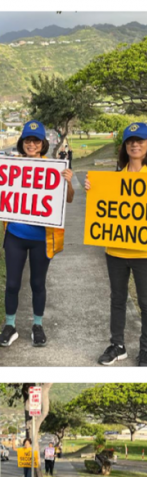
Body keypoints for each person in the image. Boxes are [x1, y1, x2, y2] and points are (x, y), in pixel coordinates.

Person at [0, 120, 74, 348]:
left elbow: (68, 198)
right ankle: (9, 326)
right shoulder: (12, 163)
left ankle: (37, 326)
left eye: (36, 140)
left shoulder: (54, 167)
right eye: (28, 140)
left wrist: (68, 182)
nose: (32, 144)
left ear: (43, 144)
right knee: (12, 283)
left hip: (42, 239)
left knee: (38, 284)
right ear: (22, 143)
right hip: (15, 236)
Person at [87, 122, 147, 366]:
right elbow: (103, 210)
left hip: (143, 251)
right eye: (130, 141)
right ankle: (117, 345)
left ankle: (145, 349)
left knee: (145, 302)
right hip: (115, 250)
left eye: (140, 140)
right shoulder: (114, 178)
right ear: (124, 146)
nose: (135, 144)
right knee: (118, 298)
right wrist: (93, 190)